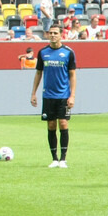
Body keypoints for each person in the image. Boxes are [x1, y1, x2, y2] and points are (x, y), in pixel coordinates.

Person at [30, 25, 77, 168]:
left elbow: (73, 75)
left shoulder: (68, 52)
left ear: (61, 35)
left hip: (63, 95)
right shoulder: (43, 52)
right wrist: (33, 93)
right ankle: (54, 158)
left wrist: (72, 95)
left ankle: (63, 158)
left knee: (63, 123)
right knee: (51, 125)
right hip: (48, 95)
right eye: (50, 33)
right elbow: (38, 73)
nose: (53, 35)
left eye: (55, 33)